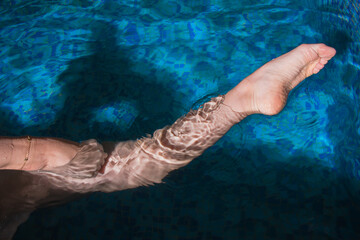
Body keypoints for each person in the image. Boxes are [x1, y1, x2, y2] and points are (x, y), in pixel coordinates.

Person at [0, 43, 336, 239]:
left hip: (32, 174)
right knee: (109, 169)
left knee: (109, 171)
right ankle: (238, 103)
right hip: (32, 171)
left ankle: (240, 102)